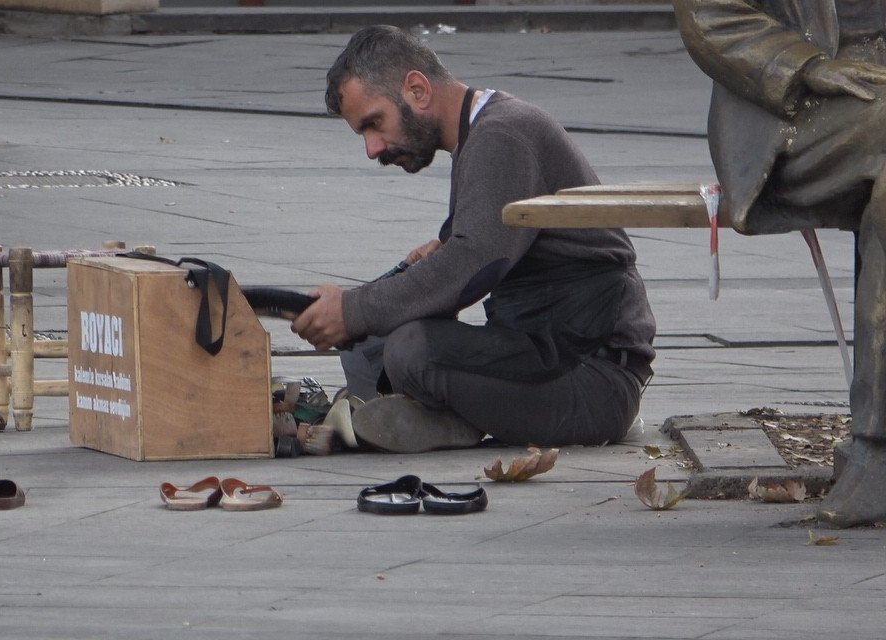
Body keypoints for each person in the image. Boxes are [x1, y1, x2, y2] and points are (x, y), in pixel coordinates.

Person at [291, 25, 656, 454]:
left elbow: (473, 263)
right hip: (543, 358)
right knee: (372, 343)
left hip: (592, 382)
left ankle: (446, 420)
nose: (373, 148)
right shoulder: (483, 132)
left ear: (417, 89)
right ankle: (430, 416)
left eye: (375, 123)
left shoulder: (502, 135)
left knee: (408, 350)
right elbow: (474, 250)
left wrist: (352, 309)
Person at [673, 0, 886, 527]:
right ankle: (878, 451)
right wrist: (806, 65)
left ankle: (876, 452)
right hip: (798, 109)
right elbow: (709, 12)